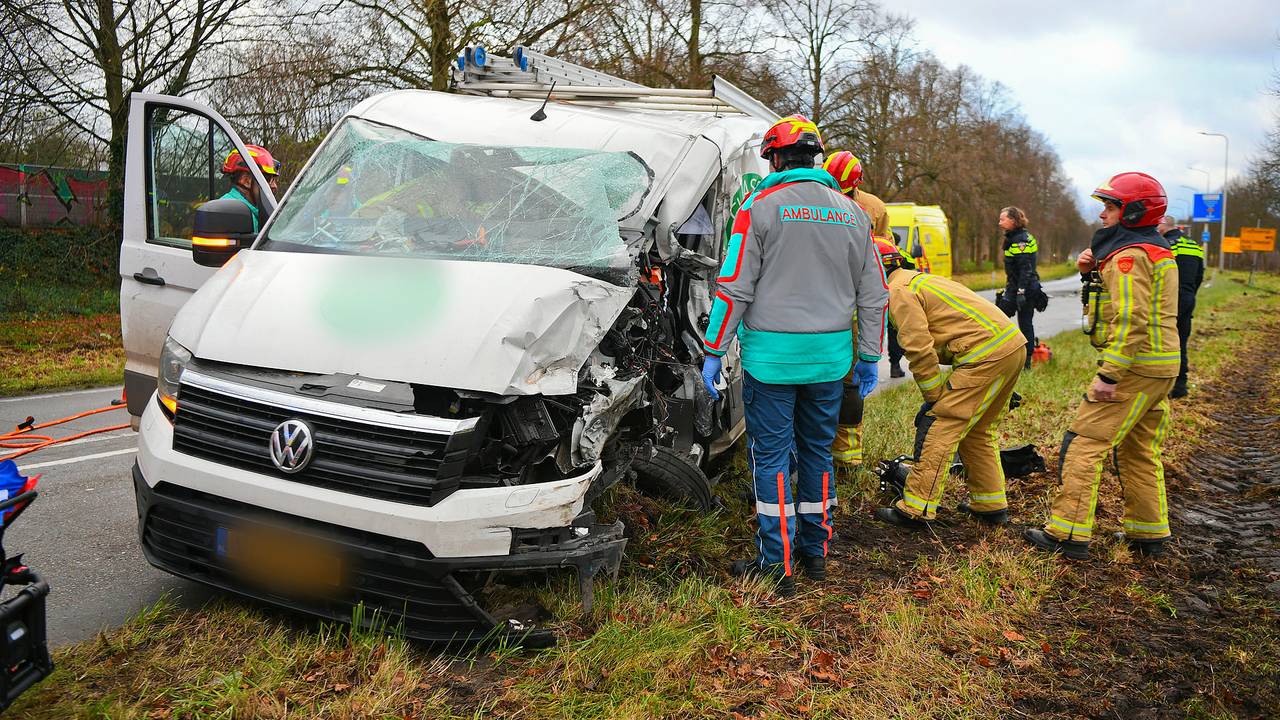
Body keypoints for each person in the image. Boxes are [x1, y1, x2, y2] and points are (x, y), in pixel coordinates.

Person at [701, 116, 888, 596]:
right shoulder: (852, 214)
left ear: (775, 158)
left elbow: (734, 286)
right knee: (817, 452)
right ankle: (816, 553)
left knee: (771, 458)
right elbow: (874, 294)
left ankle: (777, 562)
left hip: (772, 363)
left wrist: (714, 349)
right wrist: (869, 355)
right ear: (816, 159)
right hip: (830, 361)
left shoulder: (759, 208)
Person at [1025, 172, 1178, 560]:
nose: (1102, 214)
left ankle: (1068, 534)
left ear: (1133, 212)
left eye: (1110, 206)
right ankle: (1149, 533)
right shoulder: (1155, 250)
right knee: (1138, 449)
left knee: (1082, 443)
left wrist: (1109, 375)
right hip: (1160, 367)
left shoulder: (1128, 257)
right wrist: (1089, 274)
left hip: (1134, 367)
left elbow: (1129, 321)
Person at [872, 240, 1026, 528]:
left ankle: (916, 509)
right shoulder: (917, 281)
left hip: (985, 354)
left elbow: (918, 347)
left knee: (941, 424)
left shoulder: (898, 291)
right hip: (1011, 346)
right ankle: (990, 503)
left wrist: (934, 396)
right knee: (978, 430)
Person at [822, 150, 895, 470]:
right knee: (830, 379)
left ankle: (847, 454)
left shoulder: (870, 207)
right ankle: (832, 450)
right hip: (834, 299)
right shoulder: (863, 205)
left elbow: (883, 255)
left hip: (844, 301)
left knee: (848, 381)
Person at [1158, 215, 1205, 398]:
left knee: (1164, 342)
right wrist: (1191, 293)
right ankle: (1180, 386)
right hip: (1188, 297)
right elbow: (1200, 274)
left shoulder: (1166, 244)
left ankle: (1162, 385)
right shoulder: (1193, 245)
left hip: (1170, 299)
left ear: (1163, 226)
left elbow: (1164, 274)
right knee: (1181, 342)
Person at [1000, 206, 1041, 369]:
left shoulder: (1020, 240)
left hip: (1023, 289)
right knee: (1021, 322)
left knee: (1004, 320)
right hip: (1017, 287)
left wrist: (1021, 291)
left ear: (1012, 220)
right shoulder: (1014, 237)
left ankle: (1025, 363)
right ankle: (1013, 359)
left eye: (1002, 219)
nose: (1000, 223)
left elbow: (1025, 269)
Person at [220, 145, 280, 231]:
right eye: (267, 179)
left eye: (274, 180)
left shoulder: (252, 212)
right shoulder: (231, 213)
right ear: (246, 181)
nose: (274, 186)